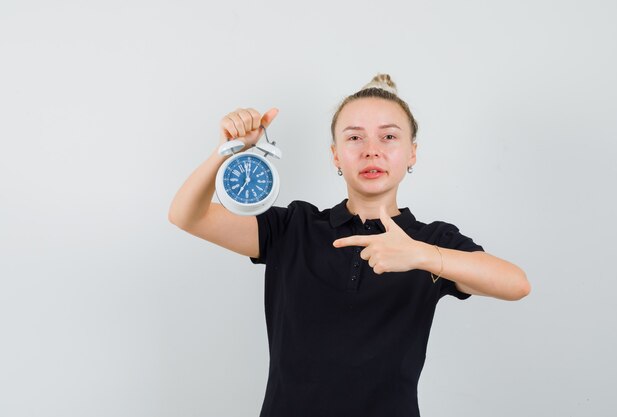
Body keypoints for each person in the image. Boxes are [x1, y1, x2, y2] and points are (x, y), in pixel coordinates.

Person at [168, 73, 531, 417]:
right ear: (336, 156)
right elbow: (187, 215)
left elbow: (516, 284)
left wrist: (422, 256)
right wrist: (228, 151)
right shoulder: (293, 228)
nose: (372, 150)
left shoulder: (432, 242)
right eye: (355, 138)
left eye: (389, 137)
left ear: (412, 153)